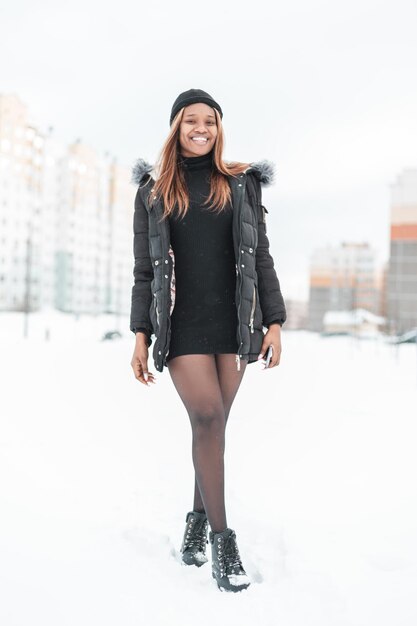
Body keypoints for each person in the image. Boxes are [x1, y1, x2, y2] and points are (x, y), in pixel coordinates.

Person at [130, 88, 286, 592]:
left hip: (234, 324)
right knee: (207, 418)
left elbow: (260, 256)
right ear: (176, 125)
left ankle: (194, 530)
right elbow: (143, 272)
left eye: (211, 121)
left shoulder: (241, 184)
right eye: (191, 120)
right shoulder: (154, 192)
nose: (202, 128)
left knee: (213, 431)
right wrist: (140, 335)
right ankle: (223, 541)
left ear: (220, 129)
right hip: (183, 325)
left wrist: (275, 322)